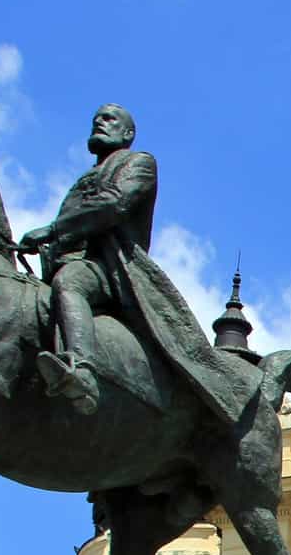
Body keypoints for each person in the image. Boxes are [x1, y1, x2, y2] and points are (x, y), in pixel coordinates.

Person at [19, 105, 246, 423]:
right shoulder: (86, 177)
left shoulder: (139, 163)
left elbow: (114, 204)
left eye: (110, 118)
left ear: (128, 134)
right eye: (96, 117)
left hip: (109, 269)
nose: (99, 121)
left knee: (71, 283)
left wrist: (53, 229)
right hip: (66, 262)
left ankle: (82, 371)